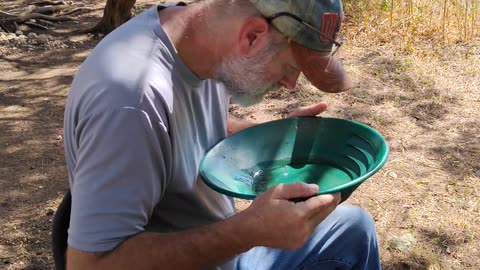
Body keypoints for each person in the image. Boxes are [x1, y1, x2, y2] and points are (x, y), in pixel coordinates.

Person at [62, 0, 381, 269]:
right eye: (289, 68)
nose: (290, 84)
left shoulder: (200, 41)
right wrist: (246, 232)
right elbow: (89, 264)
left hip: (225, 252)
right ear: (253, 36)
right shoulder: (130, 102)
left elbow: (189, 125)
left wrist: (274, 139)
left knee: (355, 231)